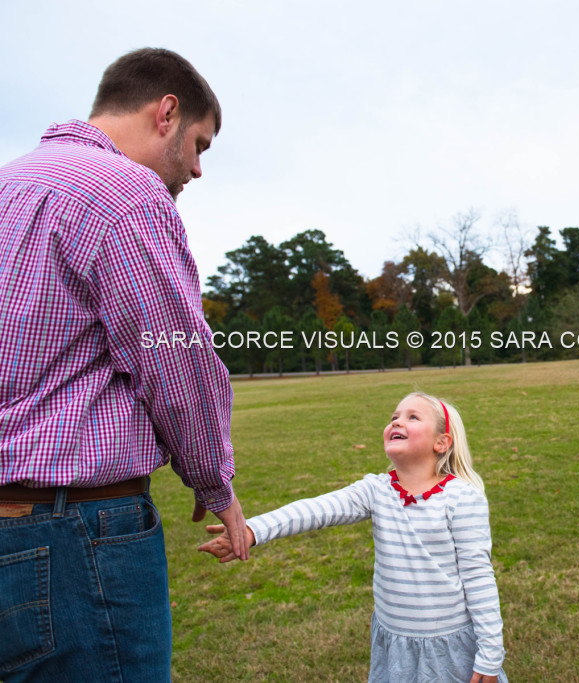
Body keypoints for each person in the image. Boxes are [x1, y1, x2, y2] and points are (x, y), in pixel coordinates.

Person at [0, 48, 249, 683]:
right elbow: (174, 361)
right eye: (199, 144)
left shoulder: (9, 182)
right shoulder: (124, 195)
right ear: (165, 112)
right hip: (76, 529)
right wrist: (213, 481)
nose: (196, 169)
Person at [200, 392, 508, 682]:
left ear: (442, 442)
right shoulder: (376, 490)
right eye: (394, 417)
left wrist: (491, 653)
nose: (397, 422)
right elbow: (318, 509)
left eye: (413, 417)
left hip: (449, 648)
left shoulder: (461, 498)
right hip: (395, 644)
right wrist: (253, 529)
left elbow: (479, 577)